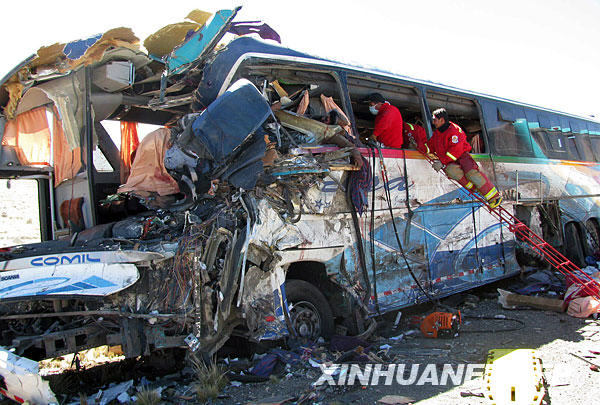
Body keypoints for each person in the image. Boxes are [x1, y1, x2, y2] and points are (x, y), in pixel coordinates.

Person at [426, 108, 502, 208]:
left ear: (442, 120)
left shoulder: (454, 131)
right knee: (451, 171)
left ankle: (495, 198)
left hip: (462, 156)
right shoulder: (437, 133)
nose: (433, 122)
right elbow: (430, 146)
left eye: (435, 120)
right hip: (449, 160)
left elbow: (455, 151)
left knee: (472, 174)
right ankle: (475, 189)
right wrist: (420, 148)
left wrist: (442, 162)